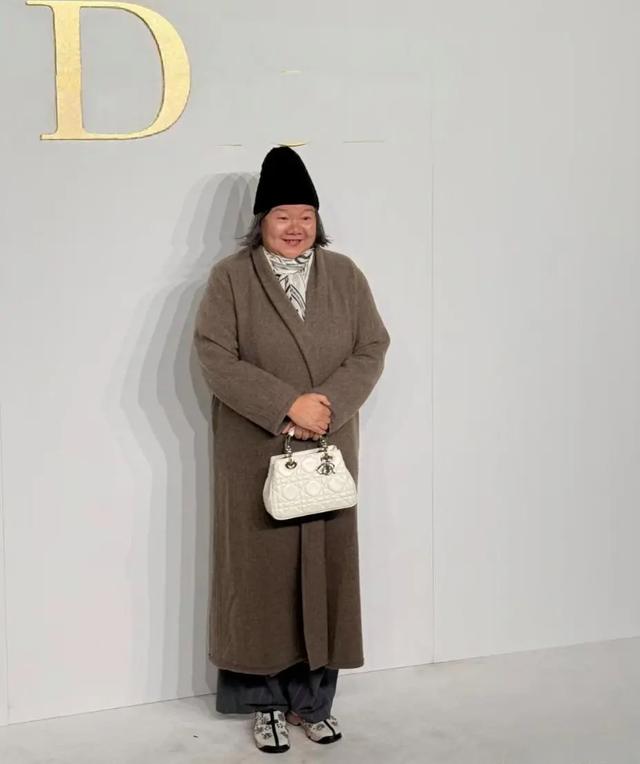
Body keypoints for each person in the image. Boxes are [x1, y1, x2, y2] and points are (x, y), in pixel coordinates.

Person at [193, 146, 391, 753]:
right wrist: (286, 405)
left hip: (328, 443)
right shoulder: (231, 278)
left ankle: (313, 700)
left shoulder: (346, 275)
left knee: (325, 571)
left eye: (306, 215)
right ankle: (264, 703)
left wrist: (325, 406)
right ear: (262, 221)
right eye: (283, 215)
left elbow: (372, 347)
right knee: (260, 576)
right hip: (257, 448)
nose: (296, 226)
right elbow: (214, 355)